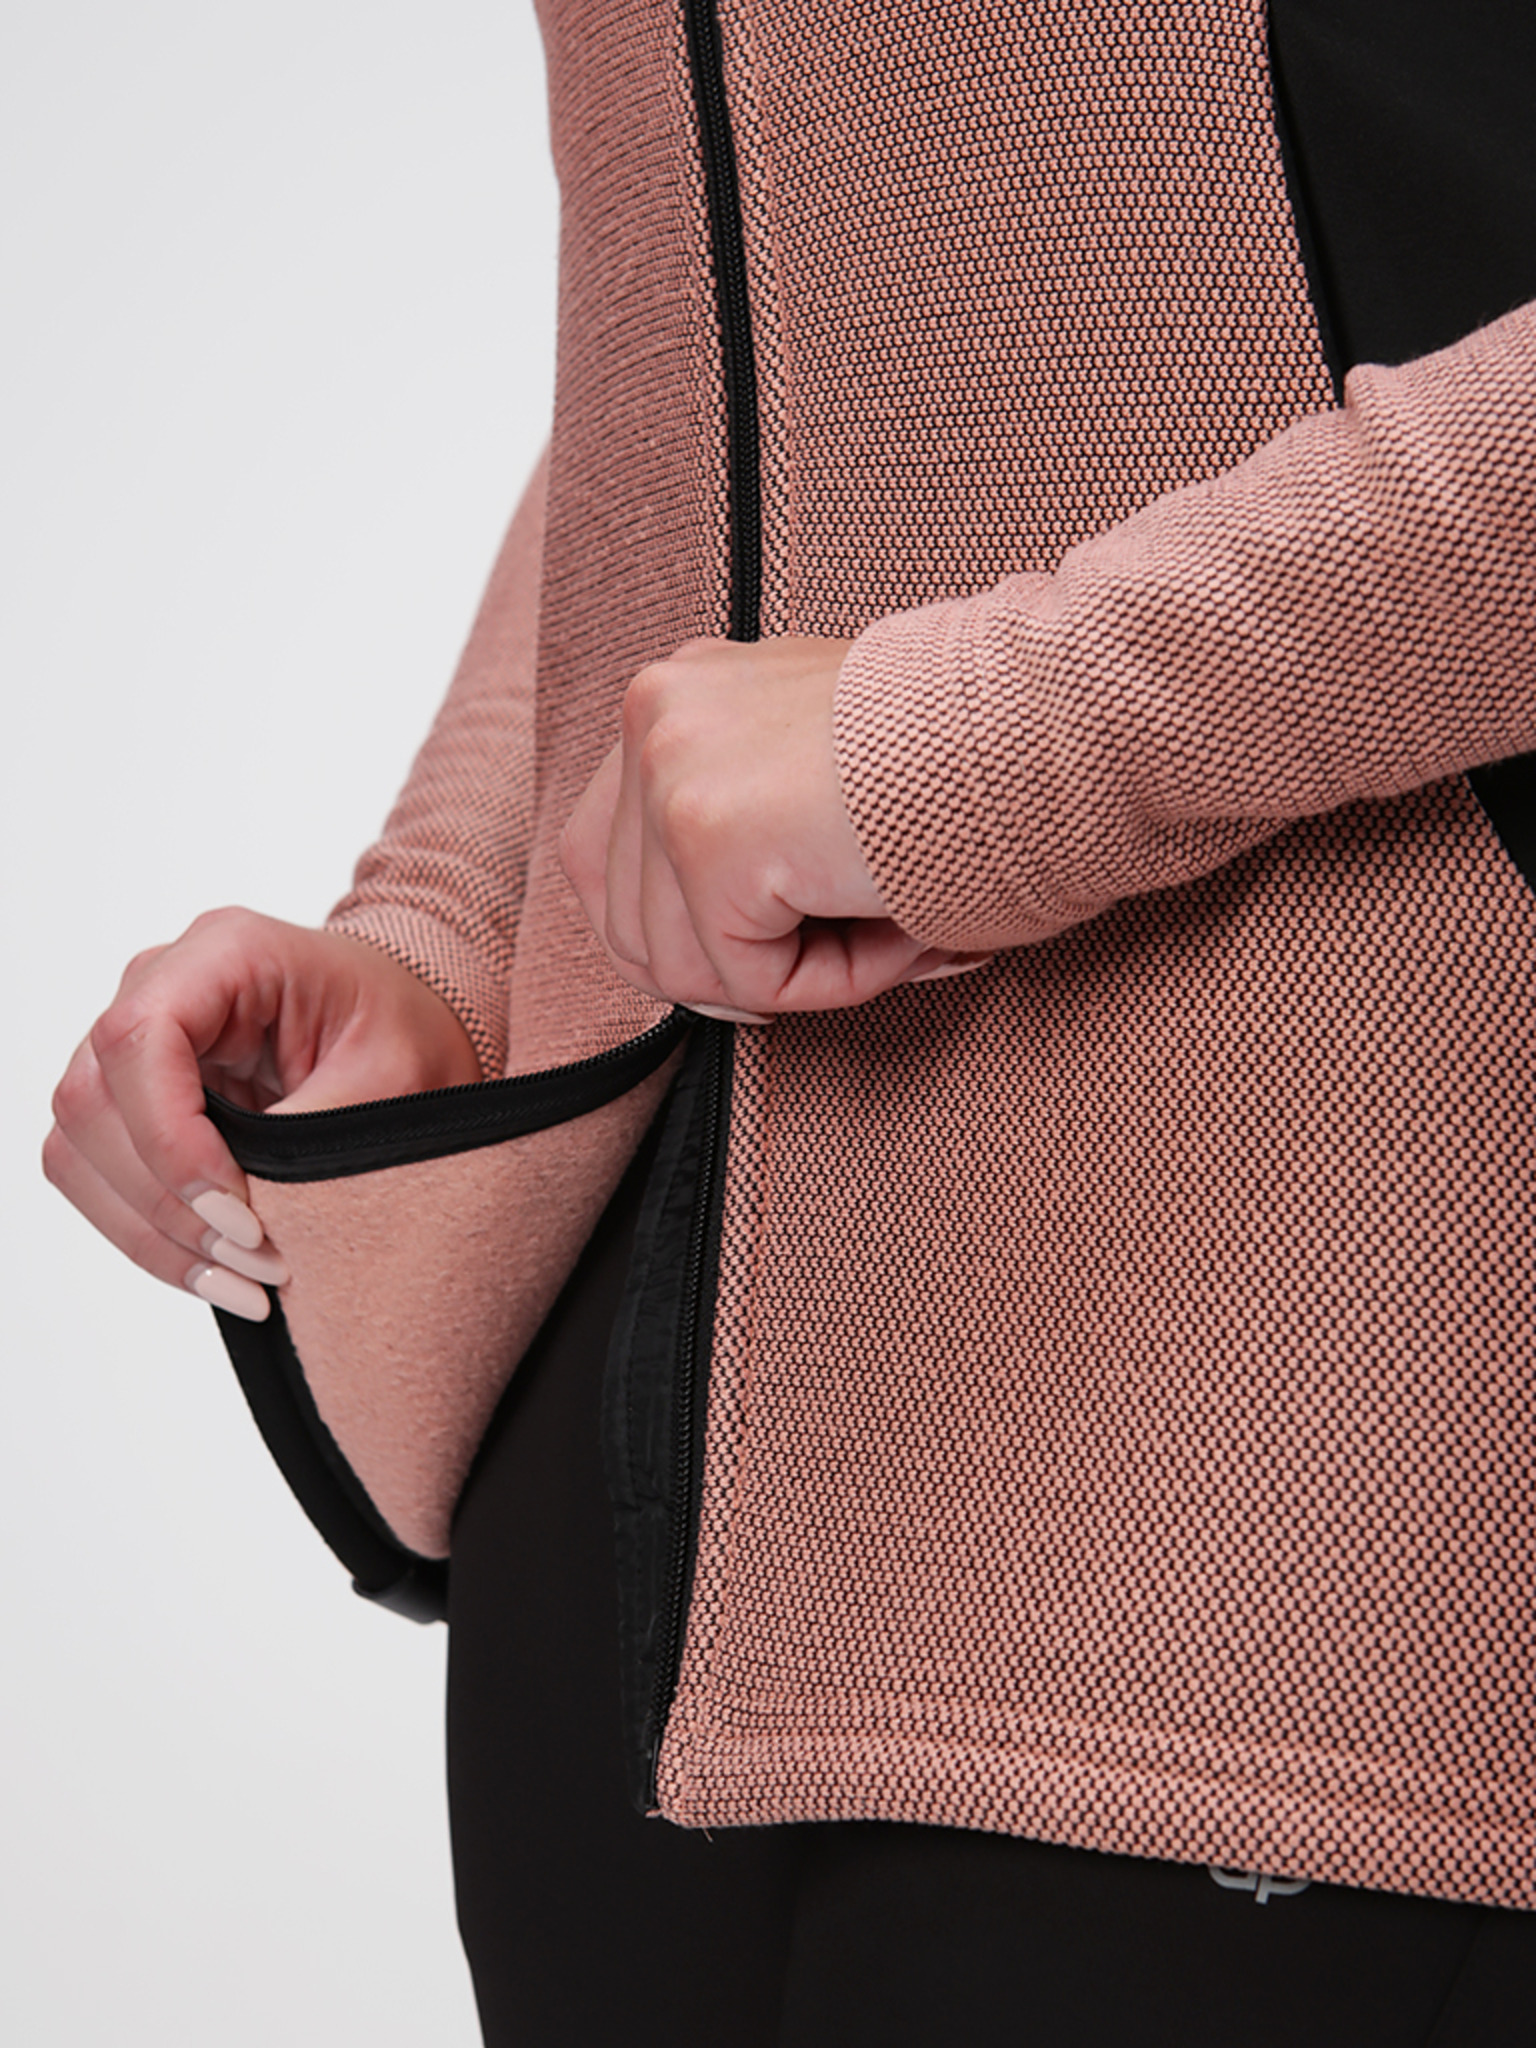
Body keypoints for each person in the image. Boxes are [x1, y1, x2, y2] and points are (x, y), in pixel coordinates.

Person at [44, 0, 1536, 2041]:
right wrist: (460, 929)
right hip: (637, 1596)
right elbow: (719, 299)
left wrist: (983, 744)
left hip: (1326, 1476)